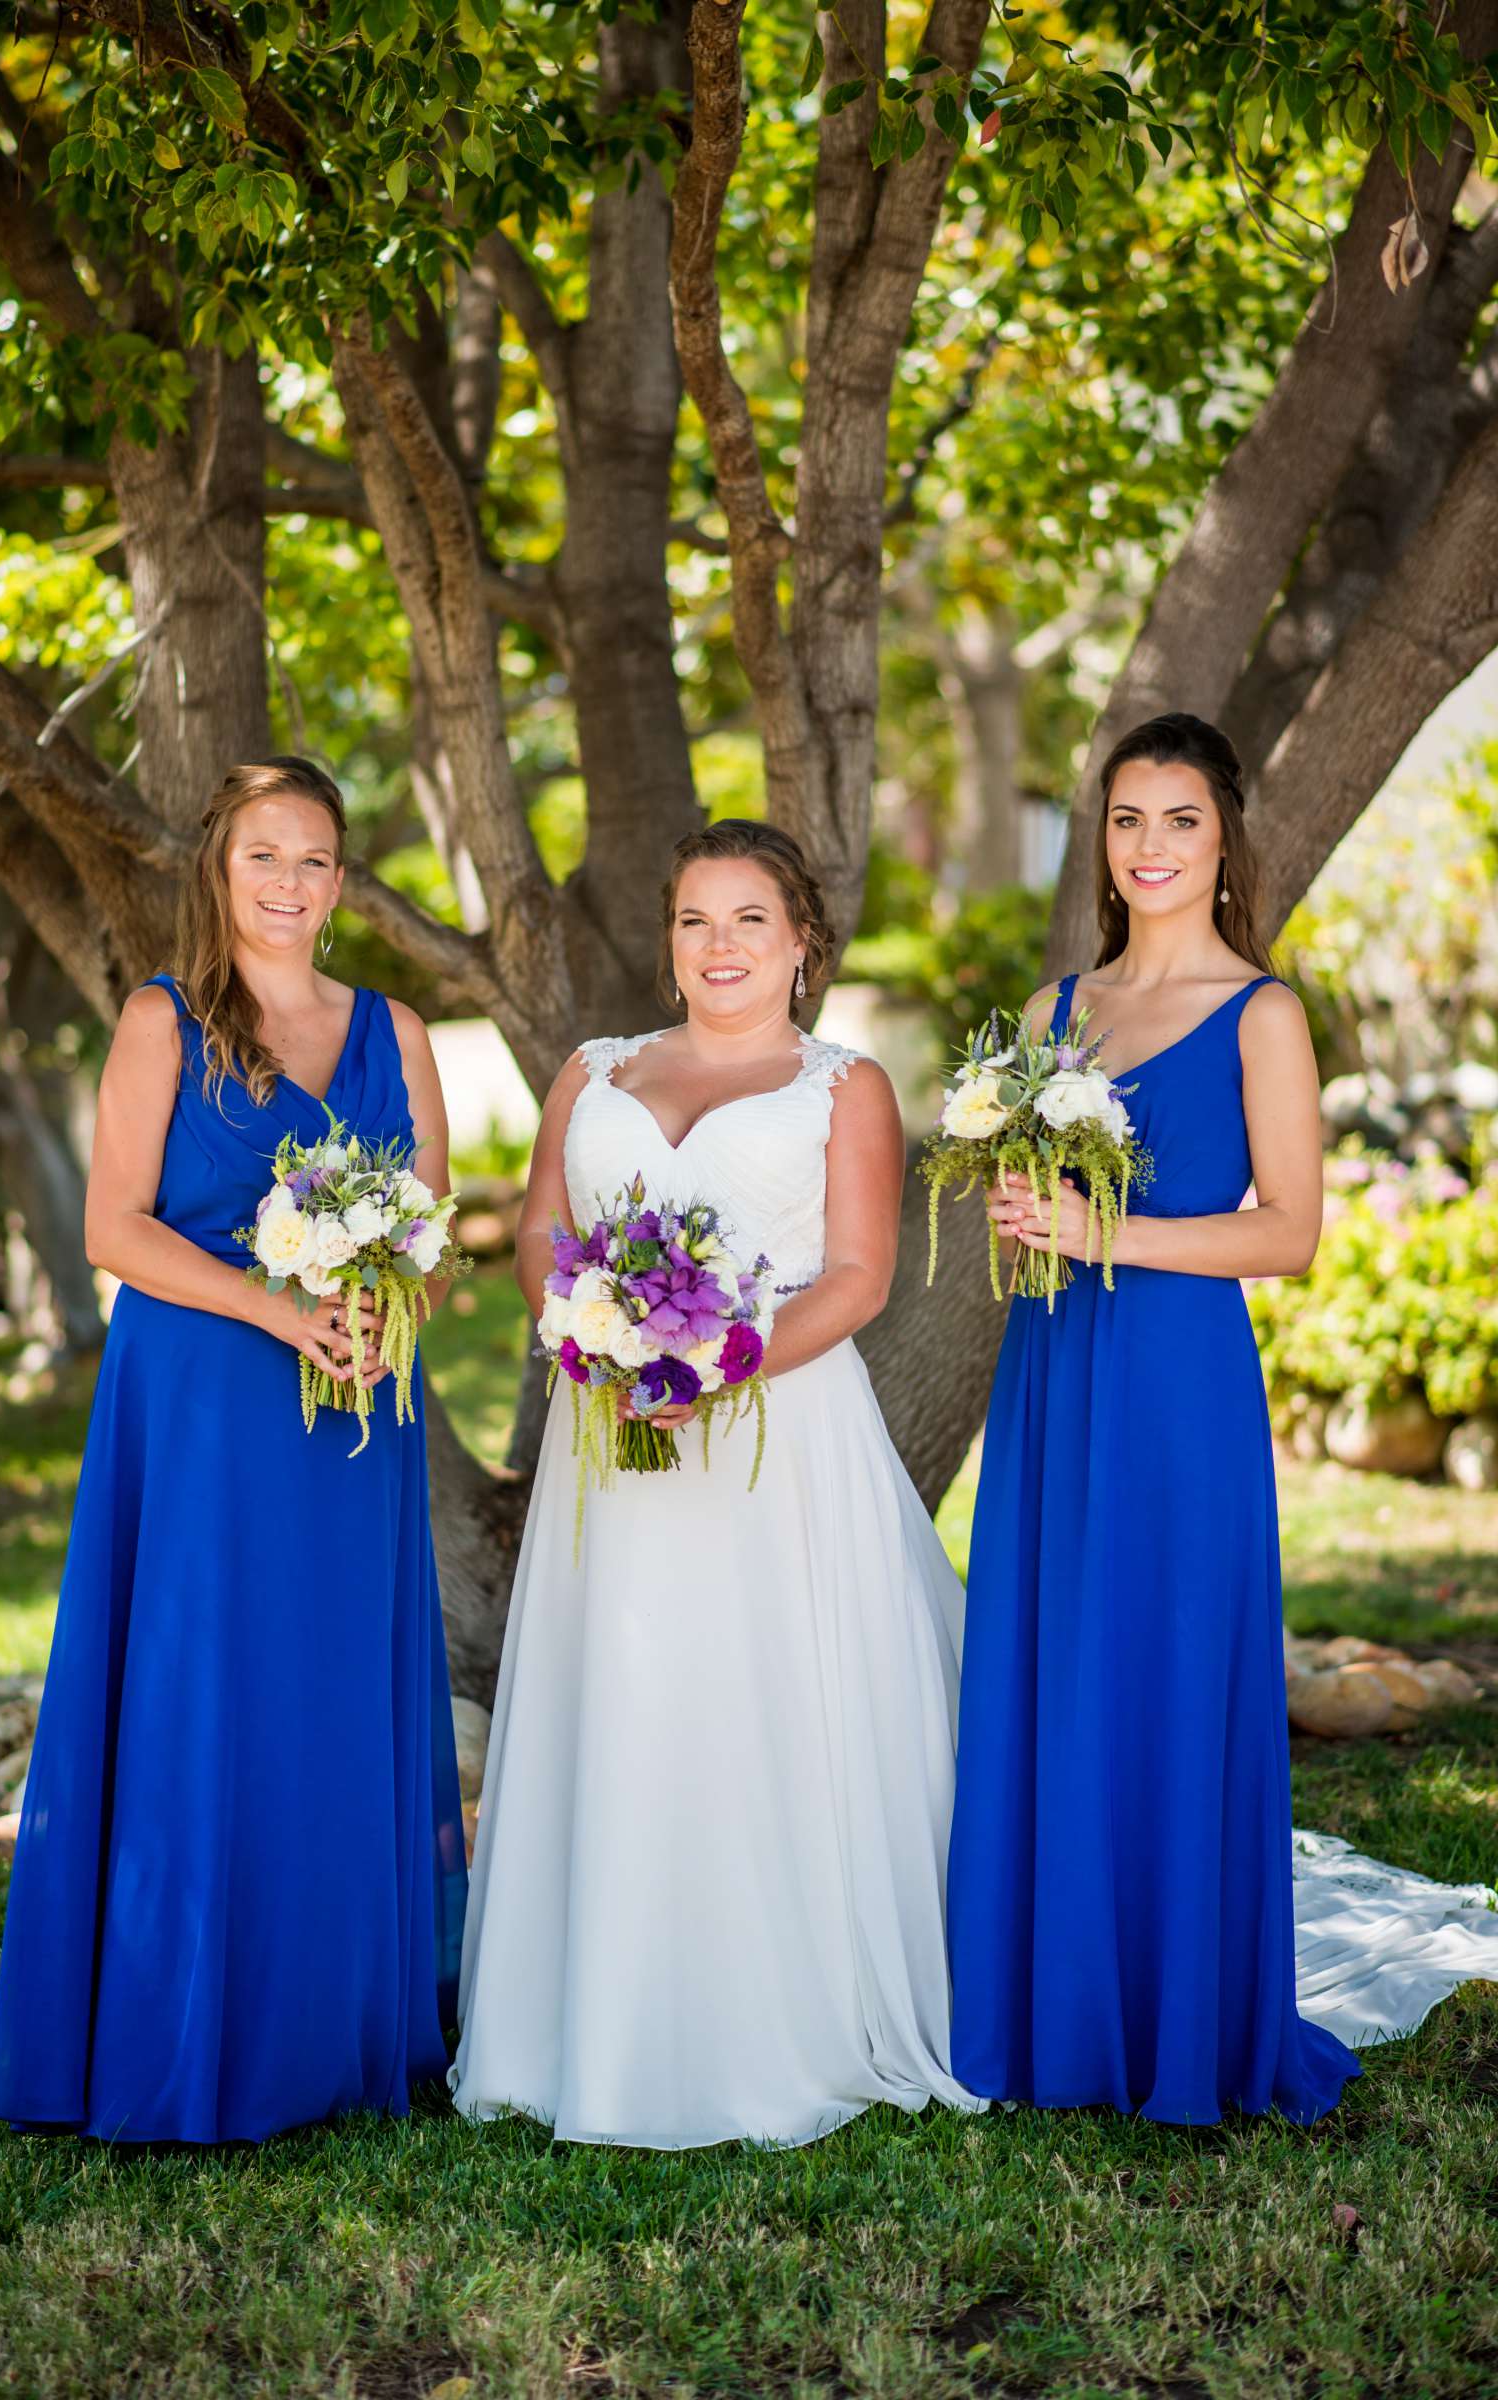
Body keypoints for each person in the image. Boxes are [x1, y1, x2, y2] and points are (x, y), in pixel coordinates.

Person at [946, 710, 1498, 2124]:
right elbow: (1030, 1210)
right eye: (1126, 822)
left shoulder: (1262, 1014)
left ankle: (1177, 2017)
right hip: (1056, 1376)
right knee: (1058, 1662)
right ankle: (1048, 2006)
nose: (1148, 849)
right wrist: (1022, 1213)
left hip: (1175, 1385)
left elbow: (1289, 1234)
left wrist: (1098, 1234)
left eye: (1178, 821)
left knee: (1168, 1670)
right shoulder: (1051, 1015)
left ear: (1224, 840)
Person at [451, 819, 979, 2147]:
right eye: (696, 919)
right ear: (668, 939)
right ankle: (591, 2016)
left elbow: (856, 1279)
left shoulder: (840, 1085)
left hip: (774, 1444)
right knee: (626, 1695)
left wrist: (710, 1367)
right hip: (609, 1442)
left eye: (751, 919)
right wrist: (581, 1331)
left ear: (802, 944)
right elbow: (537, 1231)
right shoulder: (593, 1072)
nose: (721, 944)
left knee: (761, 1699)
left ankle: (780, 2014)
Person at [0, 757, 467, 2143]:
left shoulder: (398, 1031)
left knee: (324, 1689)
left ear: (340, 877)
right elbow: (113, 1230)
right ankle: (183, 2030)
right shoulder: (163, 1020)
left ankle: (339, 2023)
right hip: (199, 1402)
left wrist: (386, 1307)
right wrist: (277, 1305)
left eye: (313, 858)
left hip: (352, 1415)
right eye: (263, 855)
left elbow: (427, 1230)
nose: (289, 882)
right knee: (202, 1690)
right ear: (219, 868)